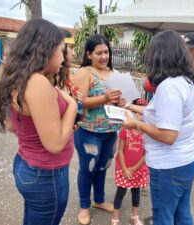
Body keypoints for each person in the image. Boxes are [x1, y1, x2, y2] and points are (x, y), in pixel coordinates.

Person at [0, 19, 77, 225]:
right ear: (45, 50)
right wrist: (73, 107)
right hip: (45, 175)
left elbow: (15, 126)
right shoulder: (38, 83)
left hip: (27, 165)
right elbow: (55, 144)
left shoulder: (19, 78)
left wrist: (59, 122)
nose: (64, 57)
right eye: (60, 50)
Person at [122, 30, 194, 225]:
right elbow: (158, 112)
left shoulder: (169, 88)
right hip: (186, 159)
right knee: (182, 213)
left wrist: (136, 124)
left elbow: (168, 136)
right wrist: (127, 106)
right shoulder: (184, 81)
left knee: (163, 217)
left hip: (170, 166)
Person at [71, 34, 122, 225]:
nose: (103, 56)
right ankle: (85, 206)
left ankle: (99, 200)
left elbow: (117, 100)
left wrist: (121, 102)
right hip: (89, 132)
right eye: (99, 53)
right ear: (89, 54)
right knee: (88, 169)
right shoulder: (85, 72)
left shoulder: (114, 73)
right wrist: (105, 98)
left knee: (102, 168)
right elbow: (79, 101)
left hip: (110, 132)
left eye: (106, 52)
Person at [111, 99, 149, 225]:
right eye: (138, 112)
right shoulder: (125, 130)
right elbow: (120, 151)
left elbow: (146, 154)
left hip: (137, 169)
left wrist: (133, 169)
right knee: (120, 192)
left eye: (144, 113)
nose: (141, 116)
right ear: (132, 112)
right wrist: (125, 169)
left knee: (136, 193)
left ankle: (134, 216)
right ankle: (115, 218)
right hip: (124, 168)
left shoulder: (146, 133)